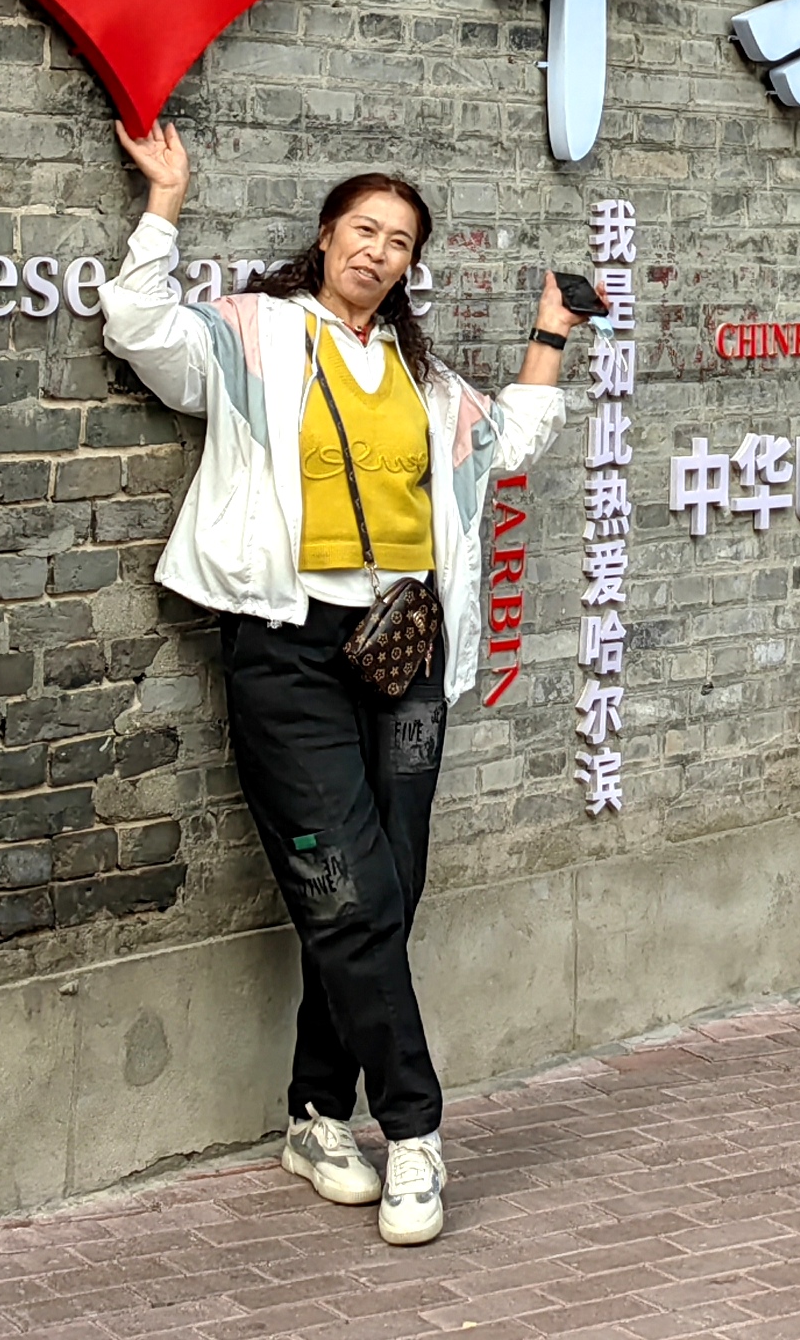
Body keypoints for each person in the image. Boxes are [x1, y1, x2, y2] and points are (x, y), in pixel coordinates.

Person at [100, 120, 573, 1249]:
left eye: (400, 242)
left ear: (411, 265)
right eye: (364, 230)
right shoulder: (257, 335)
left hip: (404, 647)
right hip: (287, 646)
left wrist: (550, 335)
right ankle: (413, 1129)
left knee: (388, 885)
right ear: (324, 236)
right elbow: (141, 328)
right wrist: (164, 202)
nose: (378, 252)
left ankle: (317, 1115)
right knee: (347, 887)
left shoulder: (420, 376)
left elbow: (505, 444)